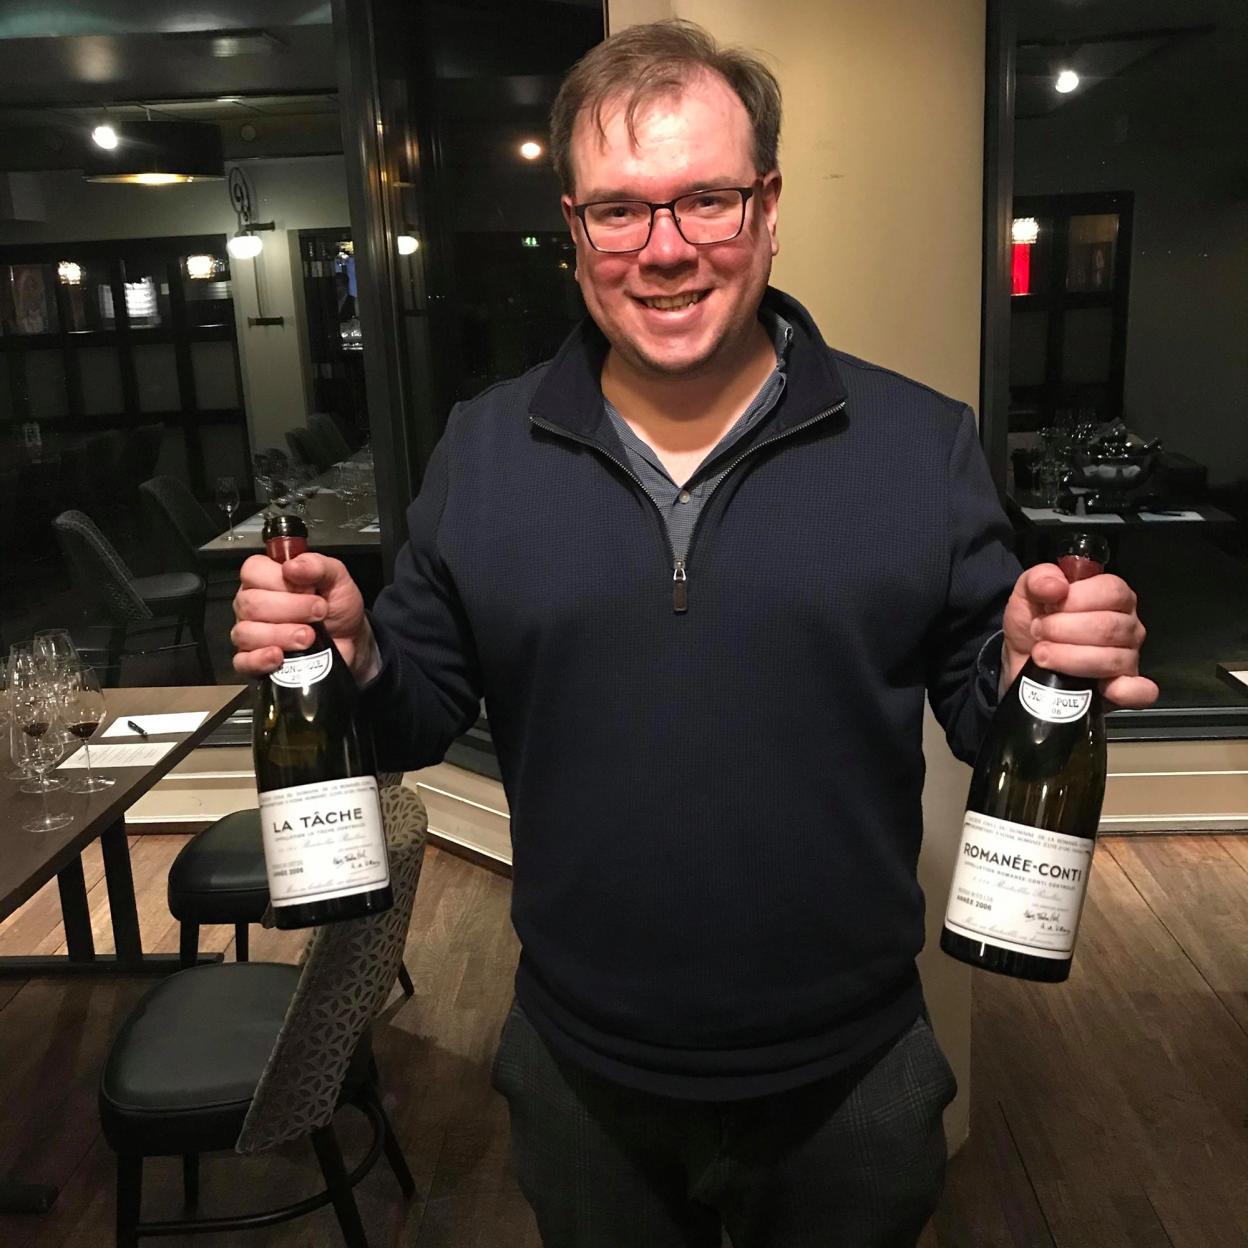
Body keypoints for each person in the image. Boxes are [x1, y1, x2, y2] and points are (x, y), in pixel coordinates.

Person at [232, 20, 1156, 1247]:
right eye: (620, 211)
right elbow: (412, 715)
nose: (664, 252)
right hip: (579, 1068)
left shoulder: (922, 446)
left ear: (768, 208)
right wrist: (351, 658)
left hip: (856, 1071)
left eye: (706, 201)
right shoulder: (481, 450)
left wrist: (1040, 661)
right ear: (574, 230)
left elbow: (989, 716)